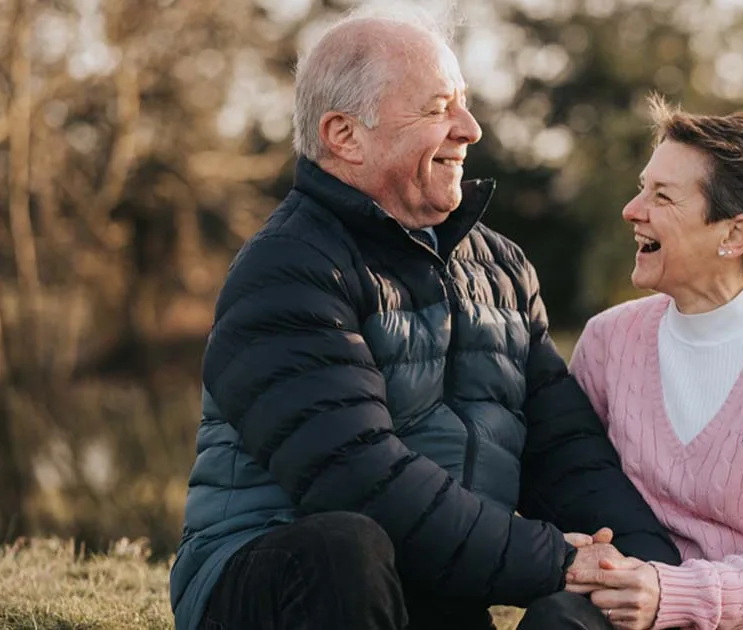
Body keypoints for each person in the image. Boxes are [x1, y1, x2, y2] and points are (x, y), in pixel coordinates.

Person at [168, 5, 681, 630]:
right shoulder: (286, 270)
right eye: (438, 108)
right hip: (277, 583)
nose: (470, 129)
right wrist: (553, 560)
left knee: (587, 614)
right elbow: (359, 478)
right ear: (344, 135)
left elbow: (567, 452)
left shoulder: (502, 268)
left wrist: (647, 572)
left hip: (436, 587)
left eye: (463, 104)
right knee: (346, 549)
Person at [563, 97, 743, 630]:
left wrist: (670, 593)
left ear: (734, 235)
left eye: (662, 197)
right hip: (622, 609)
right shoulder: (608, 341)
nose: (632, 210)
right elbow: (568, 479)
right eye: (641, 188)